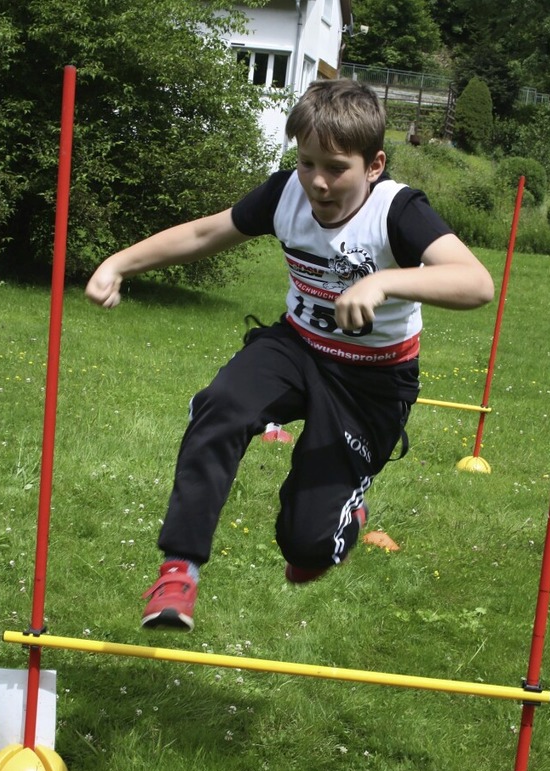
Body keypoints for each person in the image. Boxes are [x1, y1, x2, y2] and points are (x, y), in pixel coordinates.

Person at [85, 78, 494, 631]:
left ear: (374, 165)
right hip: (296, 347)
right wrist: (119, 263)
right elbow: (207, 233)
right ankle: (179, 568)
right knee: (222, 403)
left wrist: (385, 284)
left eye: (335, 167)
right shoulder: (286, 194)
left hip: (371, 382)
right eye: (306, 163)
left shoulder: (398, 211)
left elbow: (475, 282)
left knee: (306, 544)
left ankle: (333, 527)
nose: (318, 182)